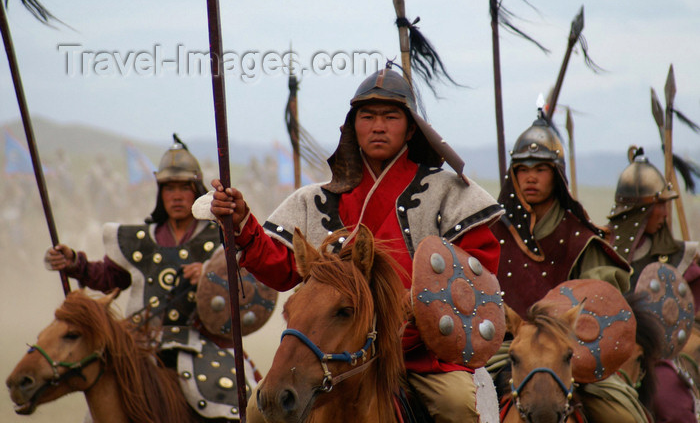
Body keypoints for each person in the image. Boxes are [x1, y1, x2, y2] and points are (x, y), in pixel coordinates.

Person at [202, 66, 504, 423]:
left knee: (458, 406)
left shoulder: (451, 193)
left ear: (410, 128)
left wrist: (414, 308)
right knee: (258, 409)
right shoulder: (317, 200)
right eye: (368, 117)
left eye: (391, 117)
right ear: (352, 126)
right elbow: (282, 268)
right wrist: (242, 224)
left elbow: (476, 273)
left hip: (419, 356)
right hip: (335, 356)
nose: (378, 126)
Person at [45, 135, 220, 327]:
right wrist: (75, 263)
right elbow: (109, 278)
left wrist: (209, 273)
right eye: (169, 188)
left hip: (205, 340)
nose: (176, 196)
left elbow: (243, 282)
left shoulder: (219, 236)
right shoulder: (141, 240)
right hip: (146, 341)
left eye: (184, 187)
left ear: (196, 190)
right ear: (161, 193)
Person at [490, 112, 631, 319]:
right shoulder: (494, 231)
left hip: (560, 346)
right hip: (500, 345)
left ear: (556, 175)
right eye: (522, 169)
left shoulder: (580, 240)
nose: (530, 177)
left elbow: (600, 306)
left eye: (540, 169)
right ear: (513, 174)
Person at [606, 146, 700, 422]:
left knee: (668, 399)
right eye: (658, 204)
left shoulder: (682, 259)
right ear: (638, 210)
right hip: (611, 354)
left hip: (667, 356)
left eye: (666, 204)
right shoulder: (602, 252)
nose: (664, 212)